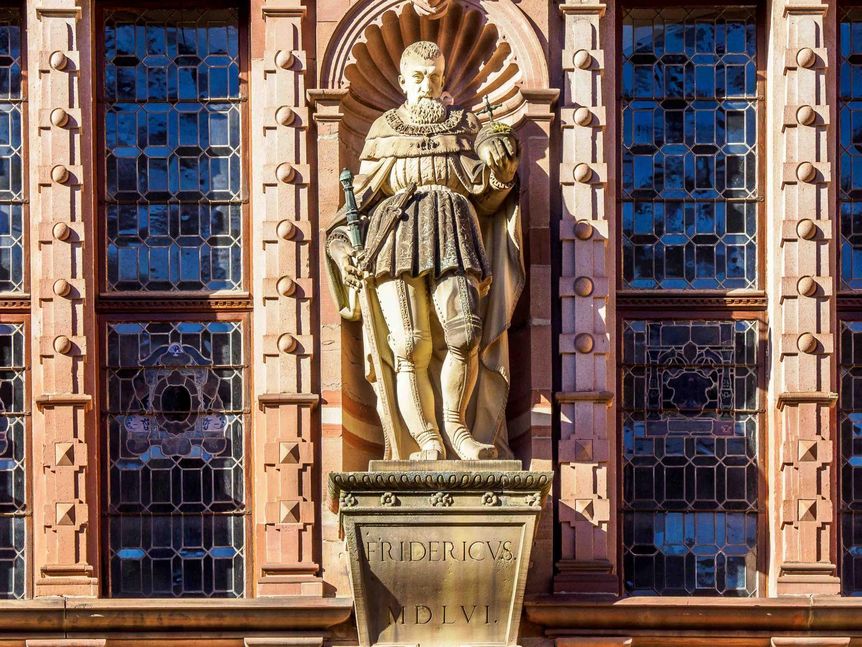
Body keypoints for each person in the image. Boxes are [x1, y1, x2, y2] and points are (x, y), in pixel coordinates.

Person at [325, 40, 524, 461]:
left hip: (454, 229)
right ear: (401, 82)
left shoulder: (467, 125)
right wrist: (343, 251)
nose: (427, 85)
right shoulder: (384, 129)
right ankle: (427, 438)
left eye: (435, 76)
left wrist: (500, 168)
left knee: (466, 331)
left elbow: (489, 198)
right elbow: (354, 206)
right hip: (394, 237)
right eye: (418, 77)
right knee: (409, 343)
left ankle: (457, 429)